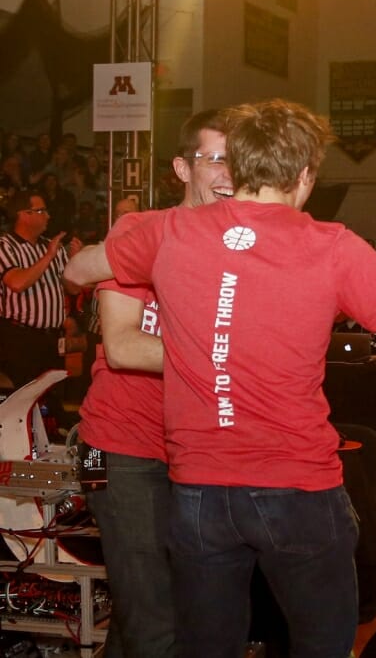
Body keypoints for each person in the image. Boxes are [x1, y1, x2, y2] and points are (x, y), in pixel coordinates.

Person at [64, 98, 376, 658]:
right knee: (321, 642)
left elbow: (78, 269)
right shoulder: (329, 244)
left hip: (200, 490)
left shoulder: (168, 231)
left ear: (239, 164)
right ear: (305, 175)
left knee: (206, 646)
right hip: (294, 486)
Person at [75, 108, 232, 658]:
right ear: (182, 168)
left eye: (236, 159)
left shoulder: (239, 250)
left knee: (158, 607)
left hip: (192, 448)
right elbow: (122, 345)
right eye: (214, 158)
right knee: (155, 614)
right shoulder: (140, 231)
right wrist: (229, 360)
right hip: (123, 448)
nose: (227, 172)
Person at [0, 189, 81, 425]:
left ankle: (52, 440)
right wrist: (48, 256)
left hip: (51, 337)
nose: (47, 216)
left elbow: (73, 289)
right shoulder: (6, 246)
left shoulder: (49, 245)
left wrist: (74, 261)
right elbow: (17, 283)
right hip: (20, 336)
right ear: (23, 215)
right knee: (25, 395)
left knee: (51, 392)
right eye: (41, 210)